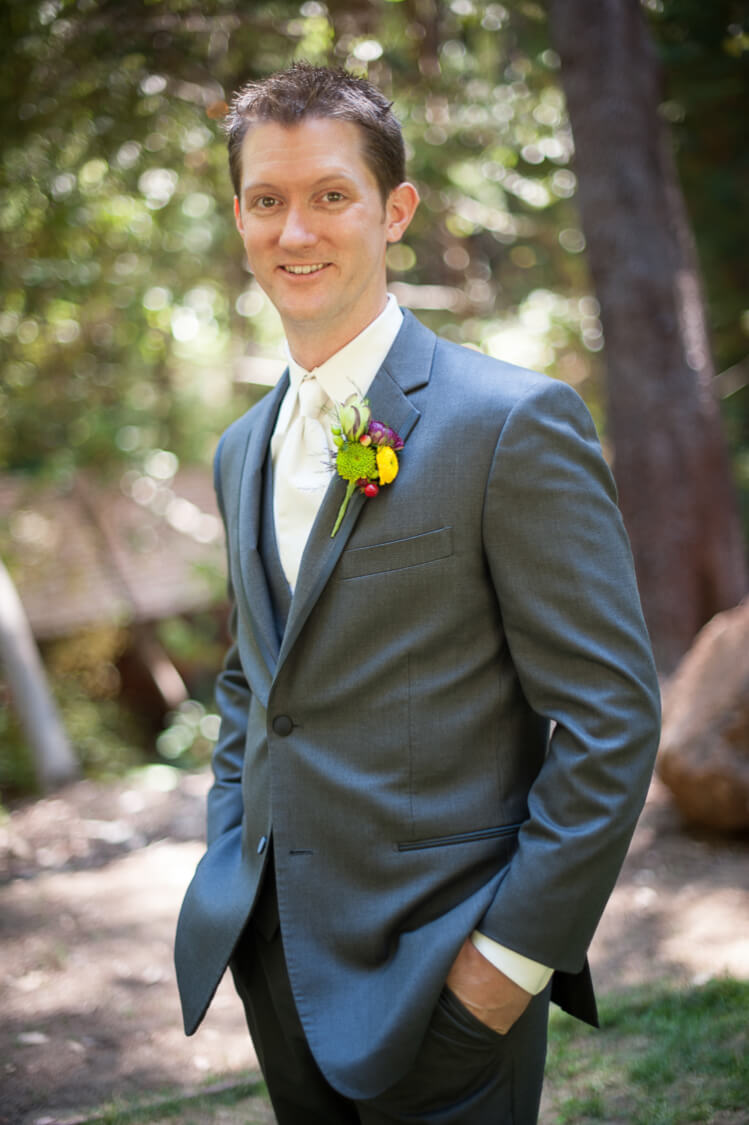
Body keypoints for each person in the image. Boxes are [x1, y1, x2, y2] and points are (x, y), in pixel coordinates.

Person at [174, 62, 660, 1124]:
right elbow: (257, 684)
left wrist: (507, 965)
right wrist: (229, 866)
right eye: (266, 201)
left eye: (329, 196)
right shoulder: (238, 450)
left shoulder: (508, 424)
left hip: (445, 979)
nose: (293, 231)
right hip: (274, 960)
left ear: (394, 210)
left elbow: (609, 716)